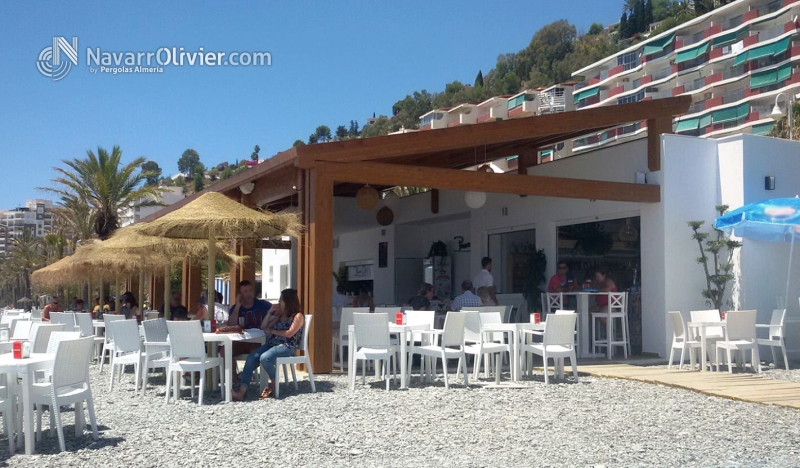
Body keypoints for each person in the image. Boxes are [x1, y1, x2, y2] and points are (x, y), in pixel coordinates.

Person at [232, 288, 305, 400]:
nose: (279, 302)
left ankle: (274, 385)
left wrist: (272, 331)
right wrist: (270, 313)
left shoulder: (298, 316)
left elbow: (289, 334)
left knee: (265, 358)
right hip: (272, 345)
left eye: (281, 300)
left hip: (286, 347)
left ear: (288, 301)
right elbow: (263, 327)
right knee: (251, 359)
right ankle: (242, 392)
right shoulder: (280, 316)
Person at [227, 280, 273, 381]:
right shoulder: (236, 308)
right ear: (240, 294)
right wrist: (238, 306)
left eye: (250, 290)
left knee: (257, 355)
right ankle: (234, 380)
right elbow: (230, 325)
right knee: (224, 352)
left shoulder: (263, 305)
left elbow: (276, 313)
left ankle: (244, 375)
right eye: (245, 291)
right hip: (240, 341)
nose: (248, 294)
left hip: (257, 341)